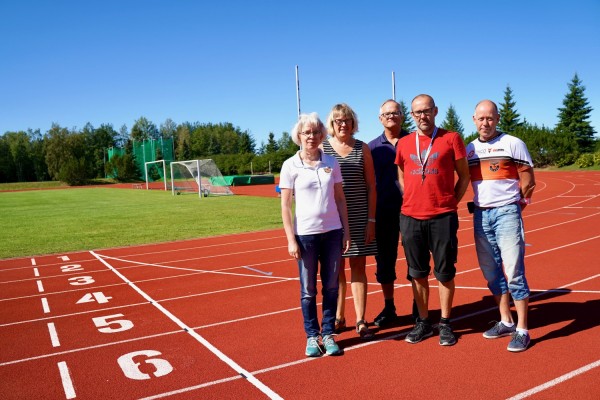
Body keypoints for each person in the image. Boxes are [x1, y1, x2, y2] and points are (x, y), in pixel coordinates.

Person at [395, 94, 470, 346]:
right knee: (417, 274)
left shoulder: (451, 138)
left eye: (426, 111)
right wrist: (411, 199)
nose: (422, 116)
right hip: (410, 218)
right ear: (412, 115)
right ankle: (424, 323)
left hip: (442, 217)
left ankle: (446, 323)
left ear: (435, 111)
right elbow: (402, 174)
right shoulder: (404, 143)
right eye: (417, 112)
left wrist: (449, 202)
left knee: (445, 273)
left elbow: (464, 176)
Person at [467, 100, 536, 352]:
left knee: (514, 271)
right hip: (480, 215)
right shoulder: (469, 149)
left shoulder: (513, 143)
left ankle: (522, 329)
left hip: (506, 212)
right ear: (474, 119)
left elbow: (528, 179)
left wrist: (516, 206)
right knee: (491, 272)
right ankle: (506, 321)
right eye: (481, 118)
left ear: (497, 119)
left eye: (490, 118)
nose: (485, 123)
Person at [280, 112, 351, 357]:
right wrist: (291, 239)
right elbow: (285, 206)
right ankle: (312, 336)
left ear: (322, 134)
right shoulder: (290, 165)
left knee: (331, 287)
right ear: (299, 136)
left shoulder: (331, 162)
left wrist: (346, 230)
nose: (311, 136)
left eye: (315, 132)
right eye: (306, 132)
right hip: (306, 236)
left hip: (332, 233)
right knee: (308, 290)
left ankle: (328, 333)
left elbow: (340, 198)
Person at [323, 103, 378, 339]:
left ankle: (360, 319)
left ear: (353, 123)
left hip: (358, 217)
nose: (342, 124)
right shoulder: (323, 149)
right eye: (338, 121)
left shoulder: (362, 148)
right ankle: (338, 316)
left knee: (358, 267)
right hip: (332, 218)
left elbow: (371, 186)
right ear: (332, 124)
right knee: (336, 271)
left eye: (346, 120)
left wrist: (371, 220)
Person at [368, 99, 409, 327]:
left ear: (402, 116)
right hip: (384, 212)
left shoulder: (415, 142)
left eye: (395, 113)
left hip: (413, 211)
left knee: (416, 260)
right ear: (380, 118)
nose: (391, 116)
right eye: (386, 113)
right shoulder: (372, 147)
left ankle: (418, 306)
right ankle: (389, 306)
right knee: (384, 262)